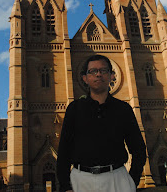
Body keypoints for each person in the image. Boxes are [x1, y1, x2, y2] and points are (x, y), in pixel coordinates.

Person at [56, 55, 146, 192]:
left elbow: (139, 149)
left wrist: (132, 181)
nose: (98, 74)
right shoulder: (74, 108)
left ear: (111, 76)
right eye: (93, 71)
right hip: (80, 181)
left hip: (117, 180)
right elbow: (63, 152)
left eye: (104, 71)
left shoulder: (124, 109)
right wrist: (66, 187)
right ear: (85, 78)